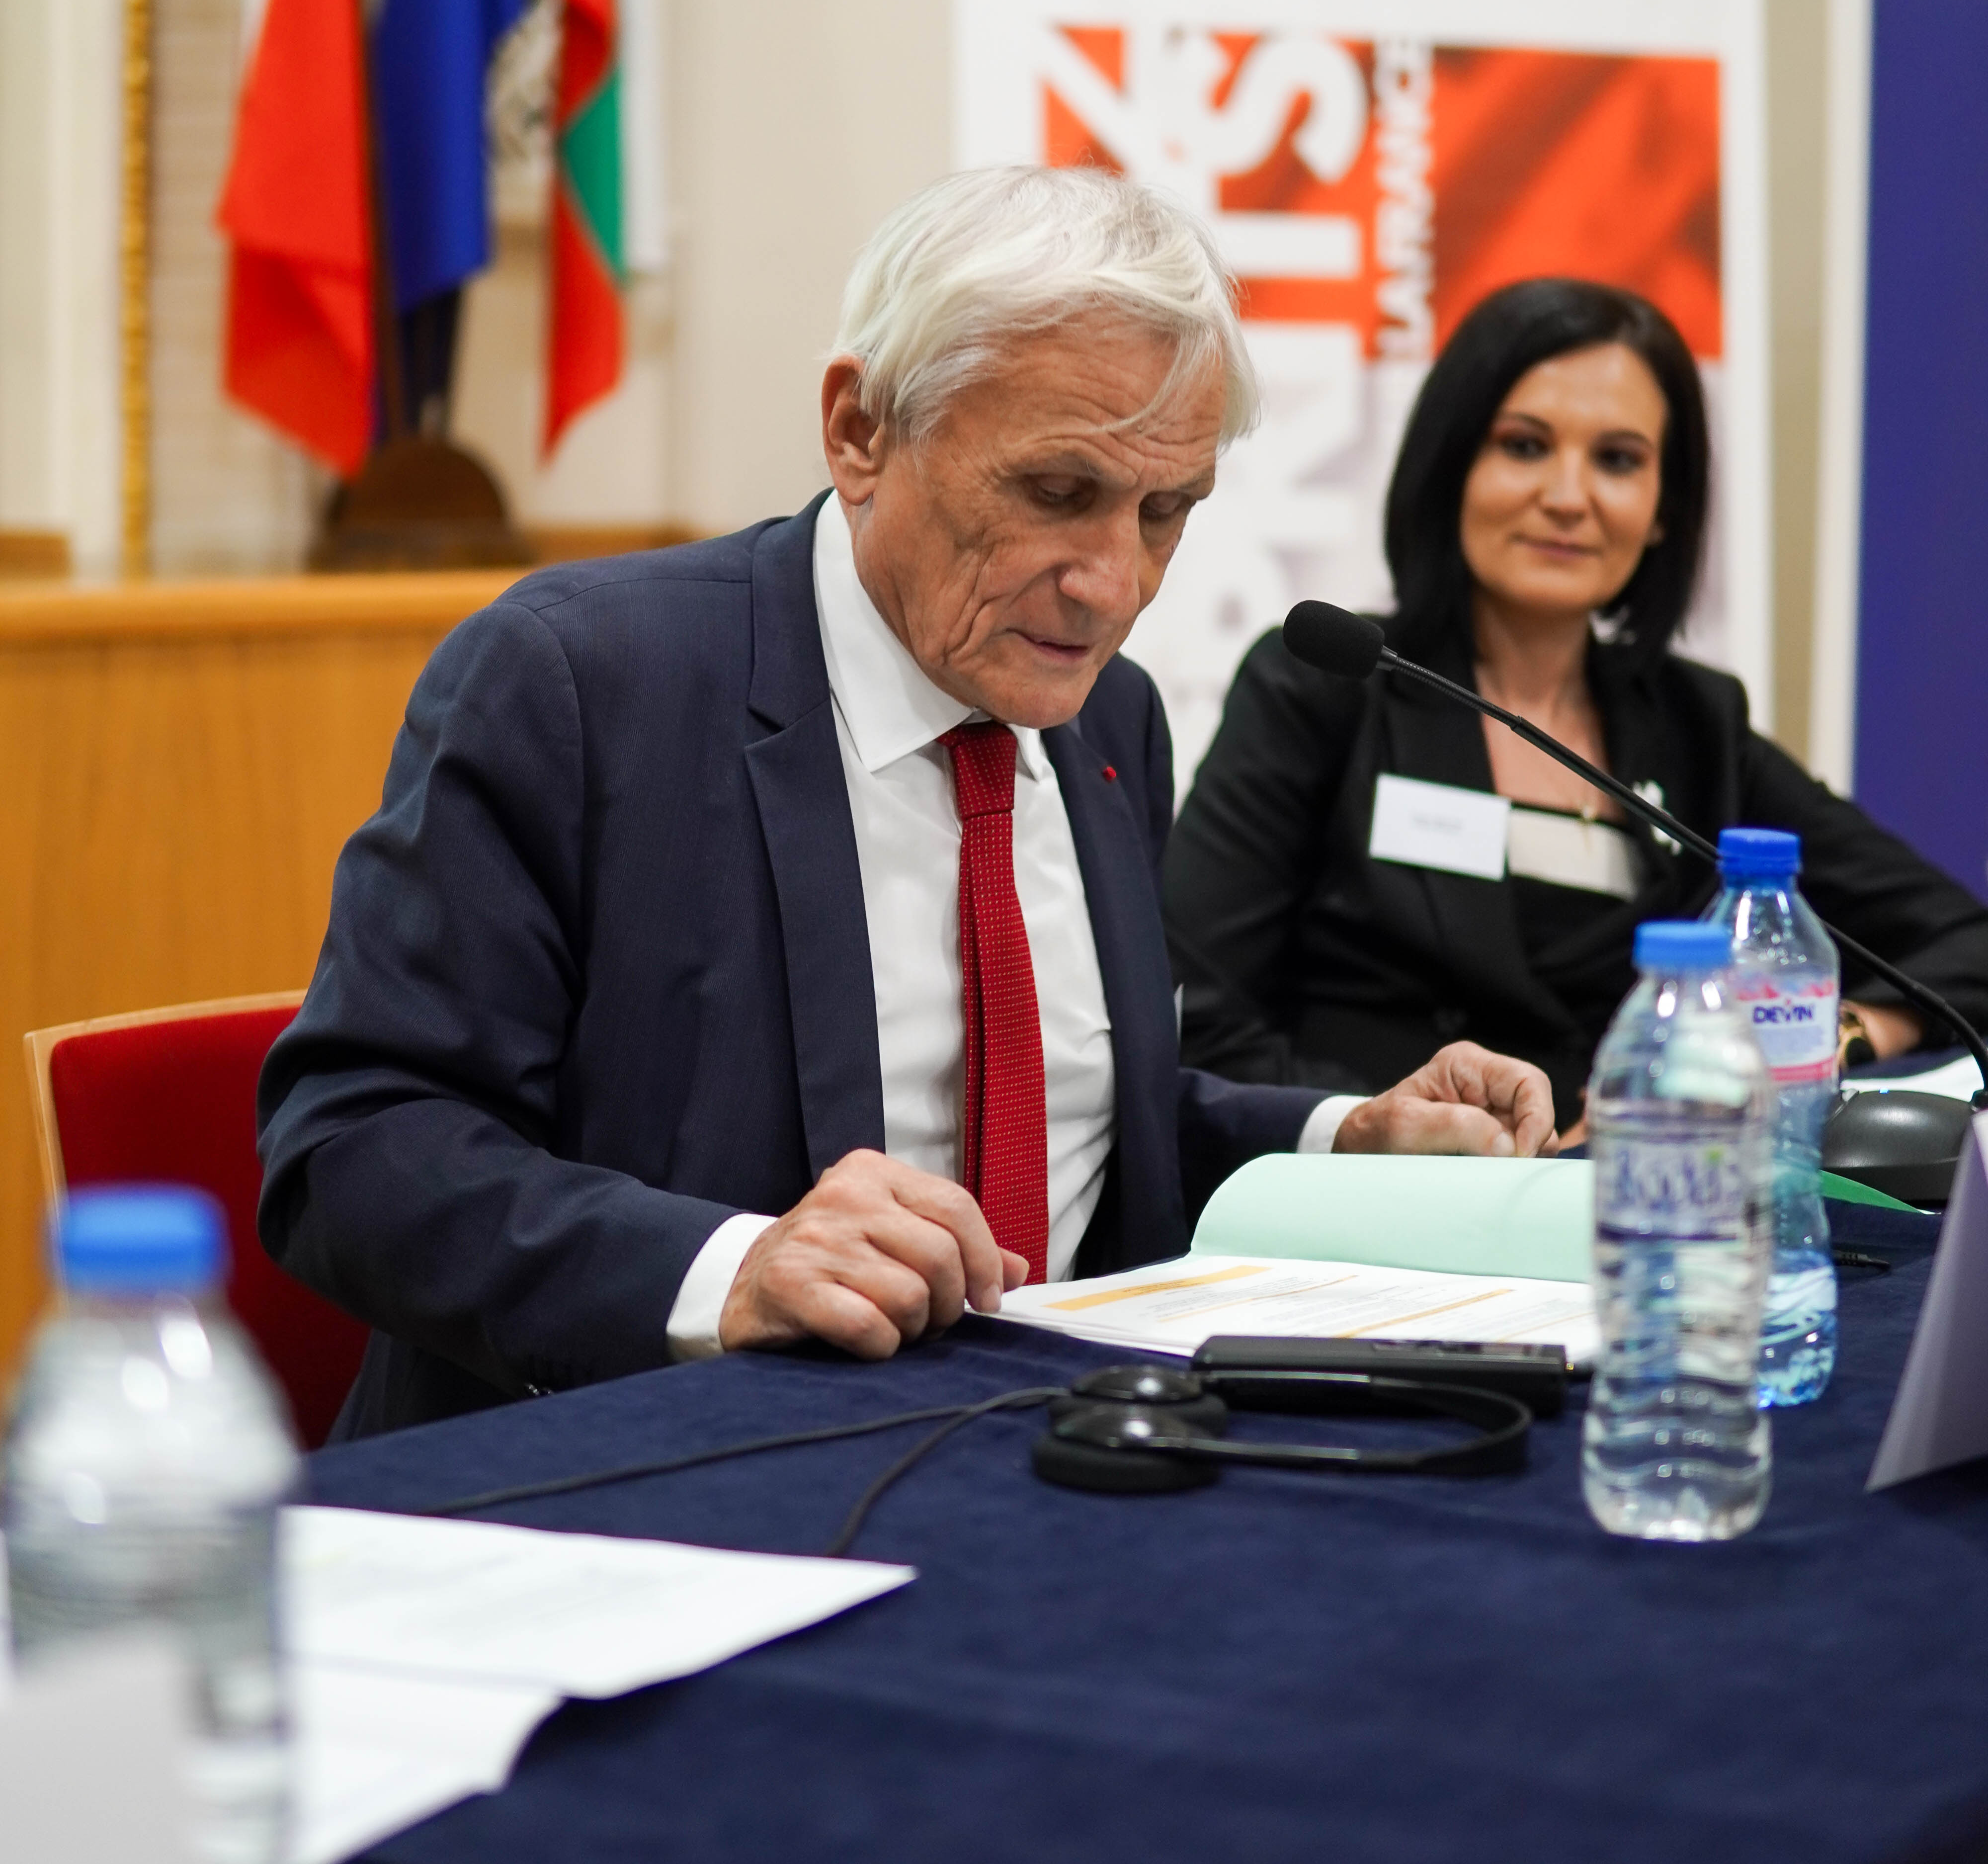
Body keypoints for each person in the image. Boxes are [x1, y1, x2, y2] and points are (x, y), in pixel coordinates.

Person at [259, 167, 1557, 1439]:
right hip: (644, 1472)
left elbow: (1079, 1112)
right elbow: (354, 1148)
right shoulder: (580, 684)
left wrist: (1343, 1137)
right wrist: (730, 1273)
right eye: (1057, 494)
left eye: (1166, 513)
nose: (1113, 585)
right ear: (861, 432)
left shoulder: (1111, 720)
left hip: (1035, 1454)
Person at [1163, 277, 1988, 1132]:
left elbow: (1964, 946)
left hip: (1628, 1191)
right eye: (1524, 446)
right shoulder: (1326, 688)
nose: (1568, 496)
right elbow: (1195, 1019)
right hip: (1377, 1194)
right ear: (1454, 467)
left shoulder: (1698, 726)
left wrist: (1834, 1036)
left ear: (1664, 509)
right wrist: (1382, 1128)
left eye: (1618, 460)